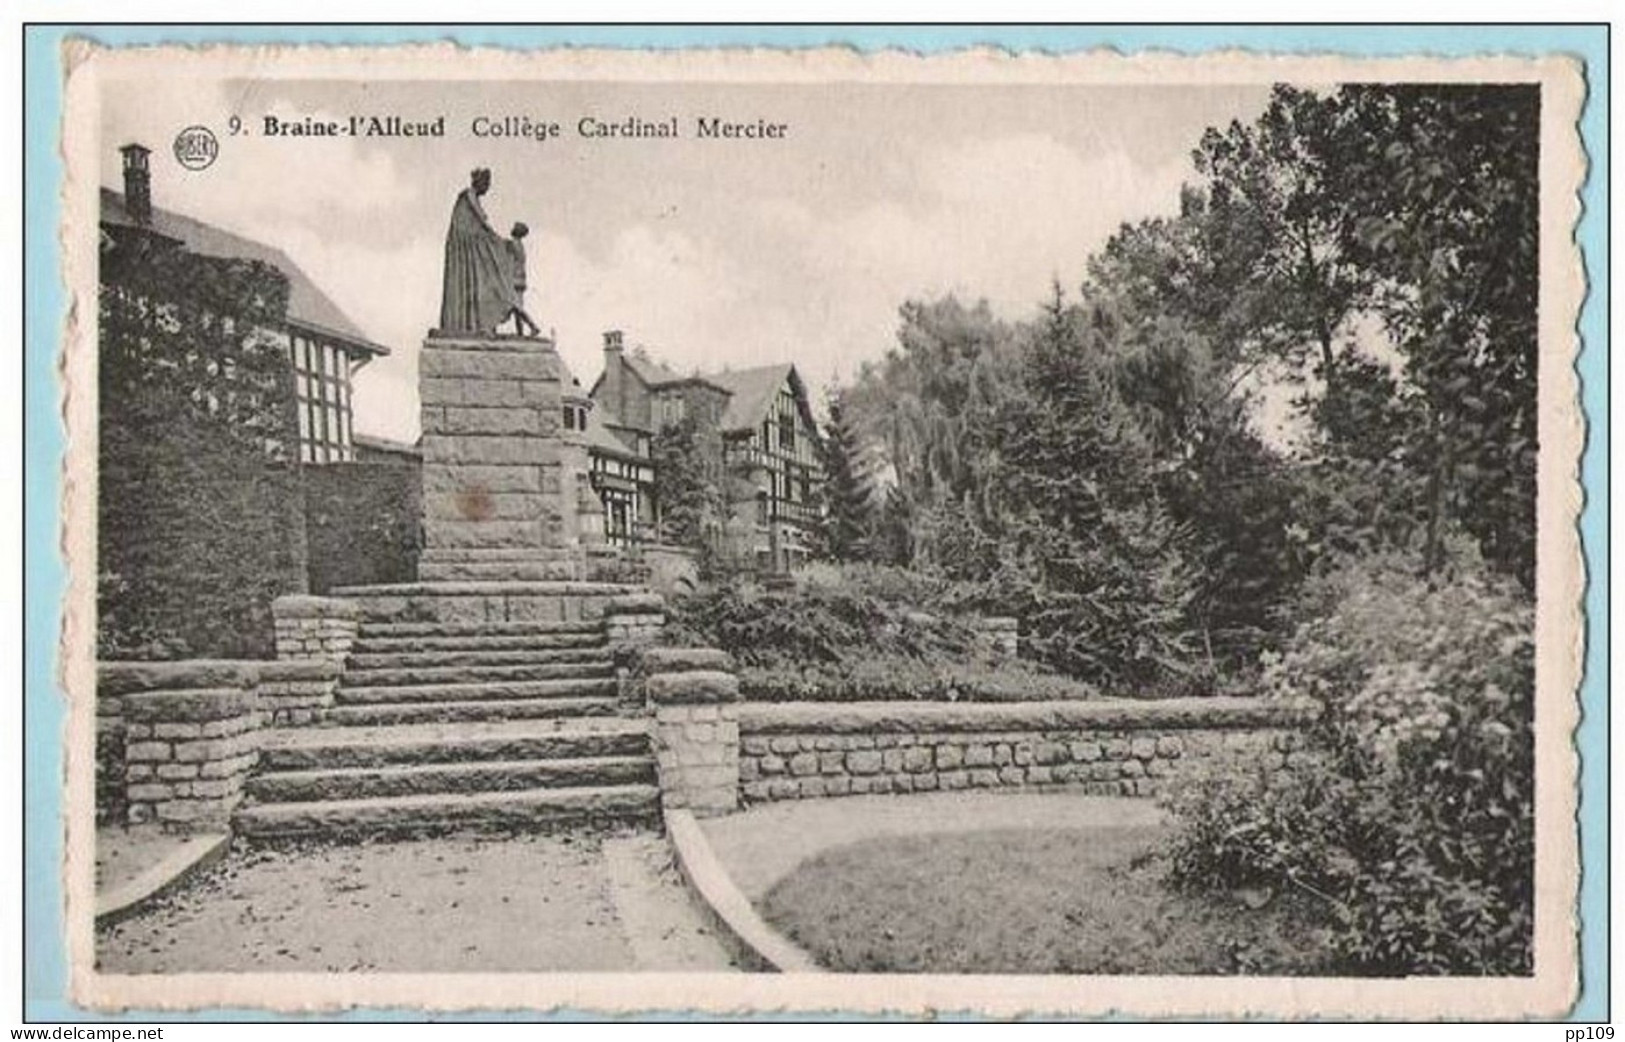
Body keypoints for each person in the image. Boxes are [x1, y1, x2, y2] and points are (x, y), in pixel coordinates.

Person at [438, 168, 517, 334]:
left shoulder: (471, 198)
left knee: (478, 280)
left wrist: (497, 240)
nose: (488, 188)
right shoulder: (468, 196)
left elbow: (480, 228)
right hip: (464, 249)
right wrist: (498, 240)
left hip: (471, 246)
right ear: (479, 181)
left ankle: (477, 322)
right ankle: (469, 324)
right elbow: (480, 224)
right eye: (486, 183)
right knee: (478, 278)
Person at [504, 222, 540, 337]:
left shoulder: (512, 244)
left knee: (515, 306)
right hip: (521, 280)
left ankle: (533, 326)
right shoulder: (520, 246)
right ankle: (521, 333)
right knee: (517, 309)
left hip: (513, 279)